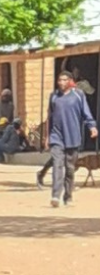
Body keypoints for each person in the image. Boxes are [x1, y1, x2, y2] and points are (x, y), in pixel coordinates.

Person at [47, 70, 98, 208]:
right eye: (59, 80)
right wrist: (47, 137)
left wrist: (92, 127)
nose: (62, 83)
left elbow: (86, 113)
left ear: (70, 81)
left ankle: (68, 195)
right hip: (56, 137)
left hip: (73, 137)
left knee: (69, 168)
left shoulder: (78, 95)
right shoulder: (54, 97)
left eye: (64, 80)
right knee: (57, 165)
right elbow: (50, 119)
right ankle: (55, 196)